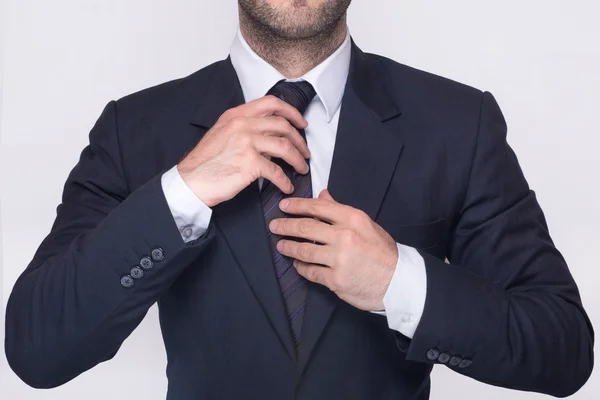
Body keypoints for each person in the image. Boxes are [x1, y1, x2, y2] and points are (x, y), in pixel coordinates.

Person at [5, 0, 594, 399]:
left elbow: (563, 348)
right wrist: (181, 192)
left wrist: (398, 283)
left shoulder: (458, 125)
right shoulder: (133, 130)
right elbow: (37, 348)